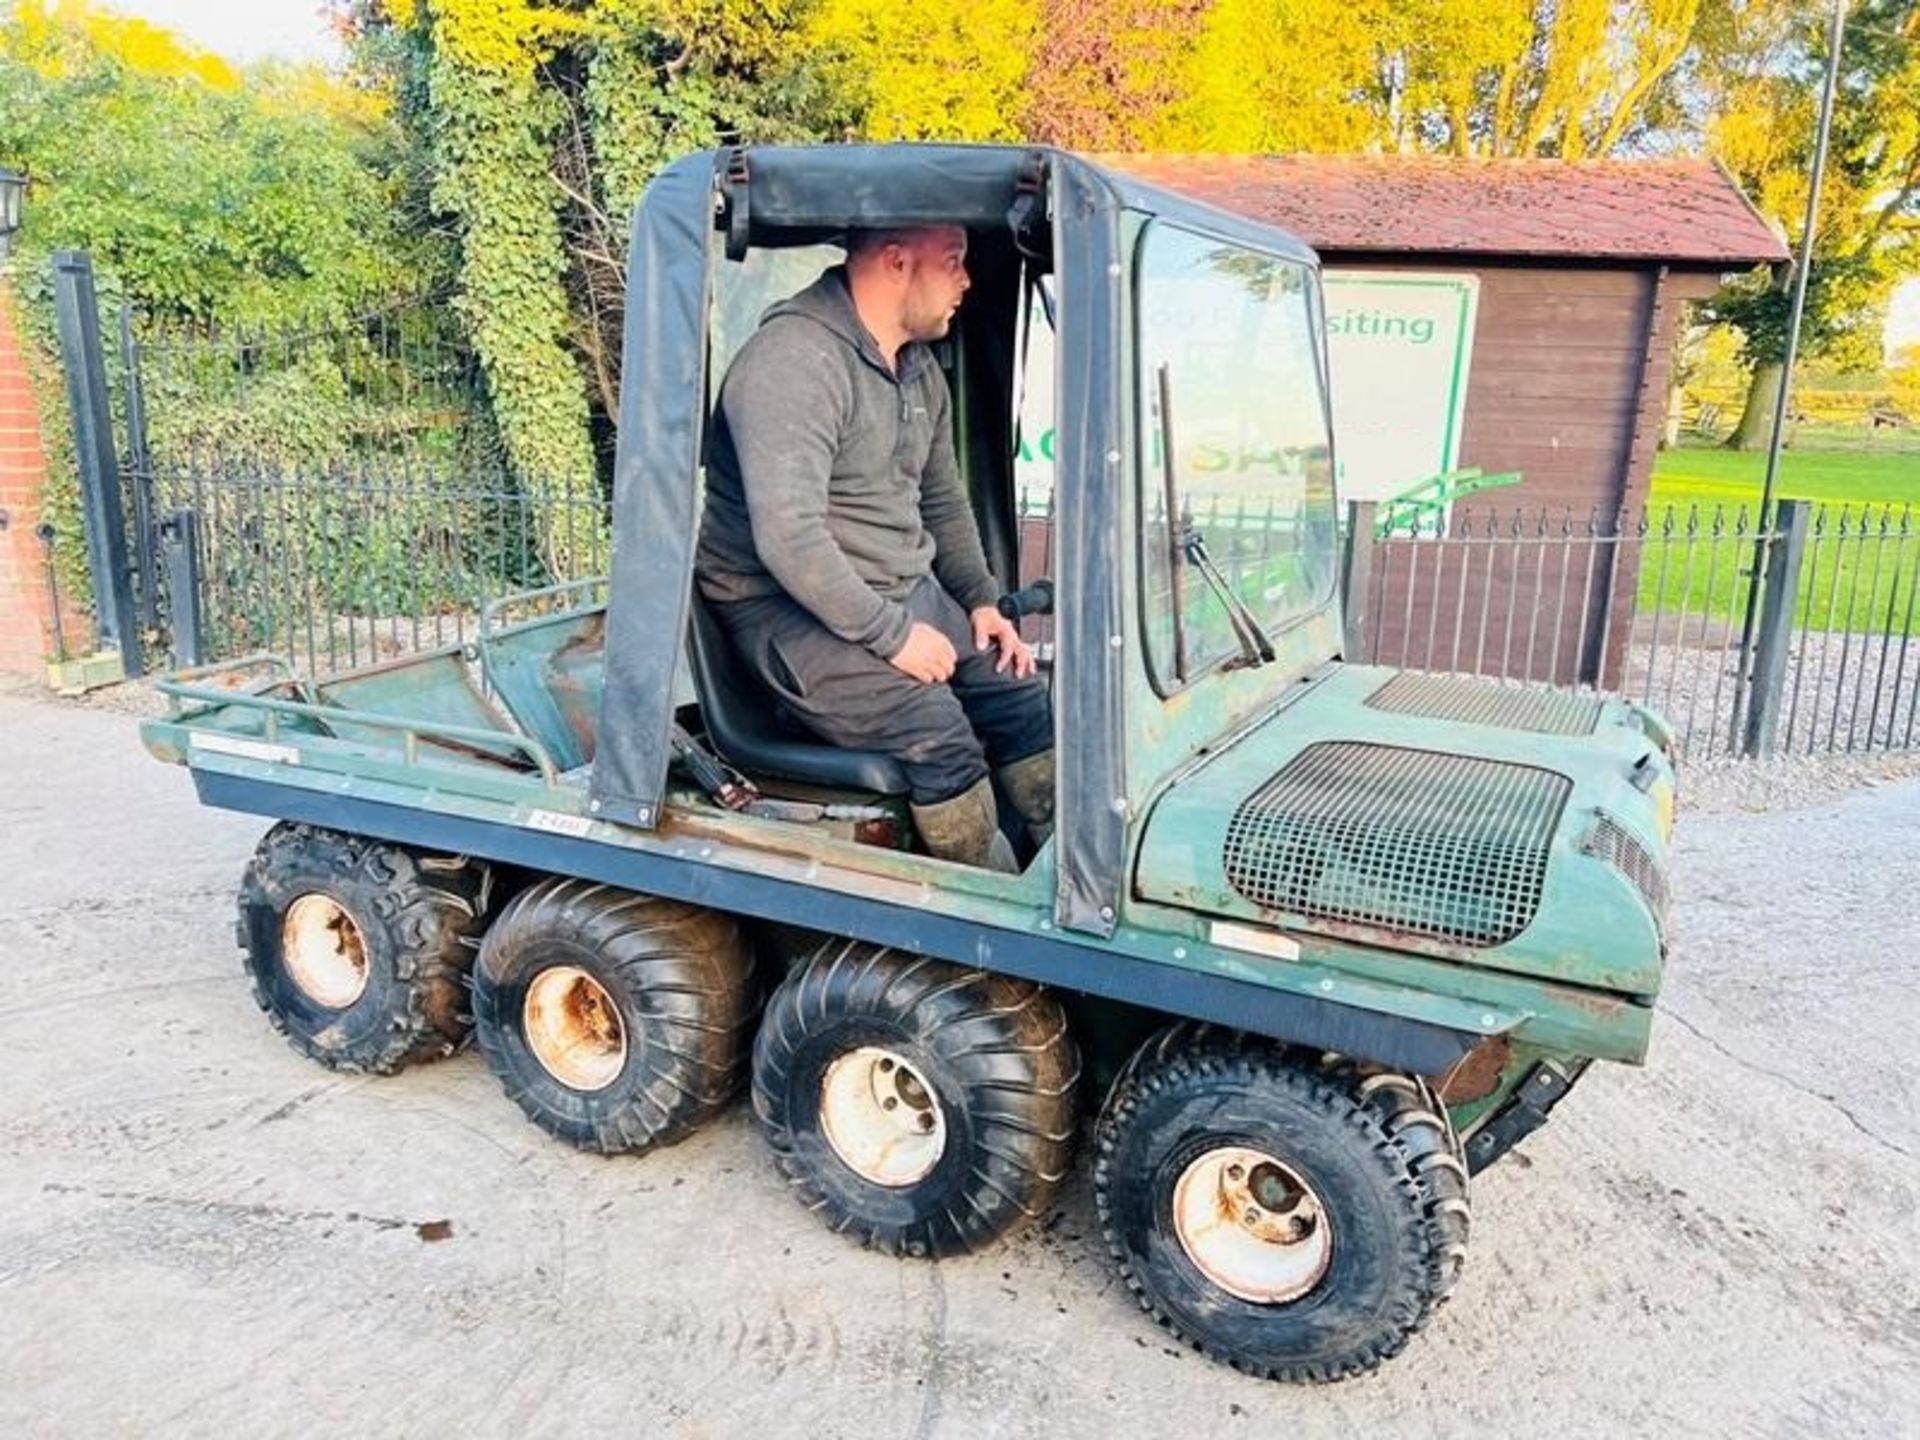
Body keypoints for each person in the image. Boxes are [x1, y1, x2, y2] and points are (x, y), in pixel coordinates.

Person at [694, 226, 1052, 871]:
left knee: (1020, 696)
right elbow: (790, 538)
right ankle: (989, 921)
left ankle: (1060, 874)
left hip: (897, 590)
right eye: (954, 262)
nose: (967, 281)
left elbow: (943, 501)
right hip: (783, 608)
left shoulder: (917, 371)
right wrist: (894, 637)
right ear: (895, 262)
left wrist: (980, 600)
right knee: (939, 737)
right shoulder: (791, 364)